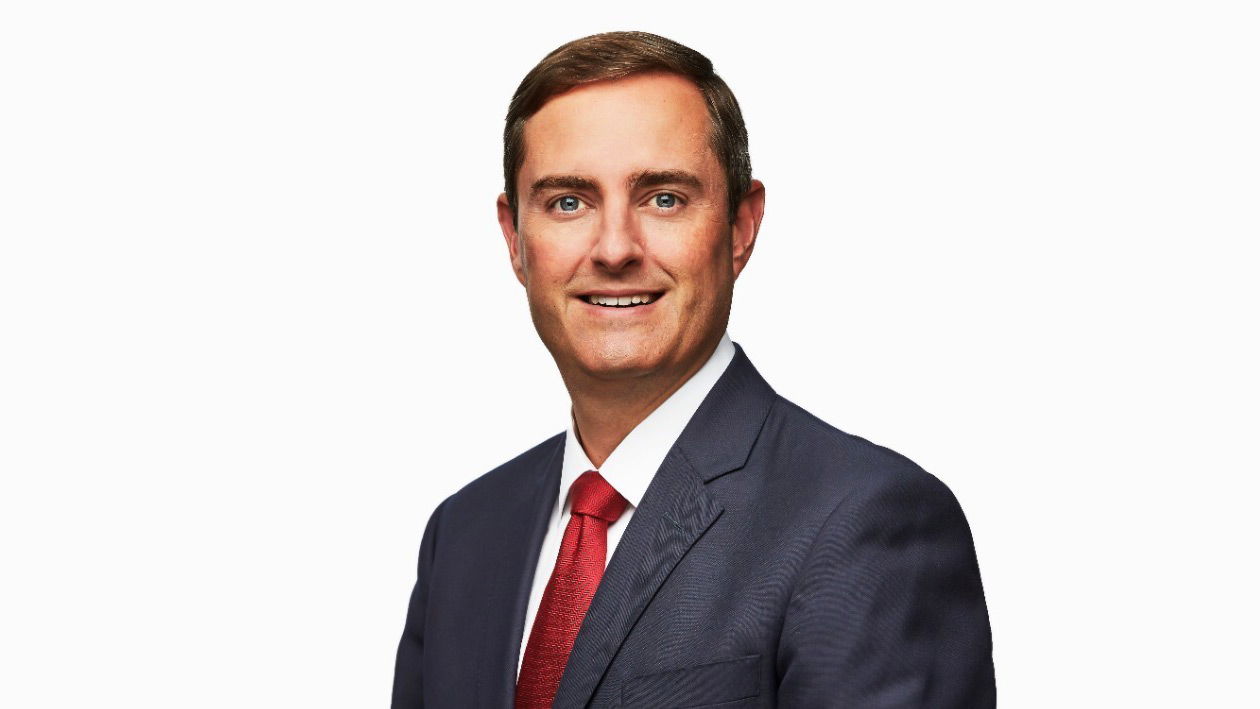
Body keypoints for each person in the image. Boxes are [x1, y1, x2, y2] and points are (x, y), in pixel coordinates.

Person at [392, 31, 995, 708]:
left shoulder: (867, 523)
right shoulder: (463, 534)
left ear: (740, 227)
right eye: (568, 202)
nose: (614, 248)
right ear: (515, 239)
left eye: (664, 198)